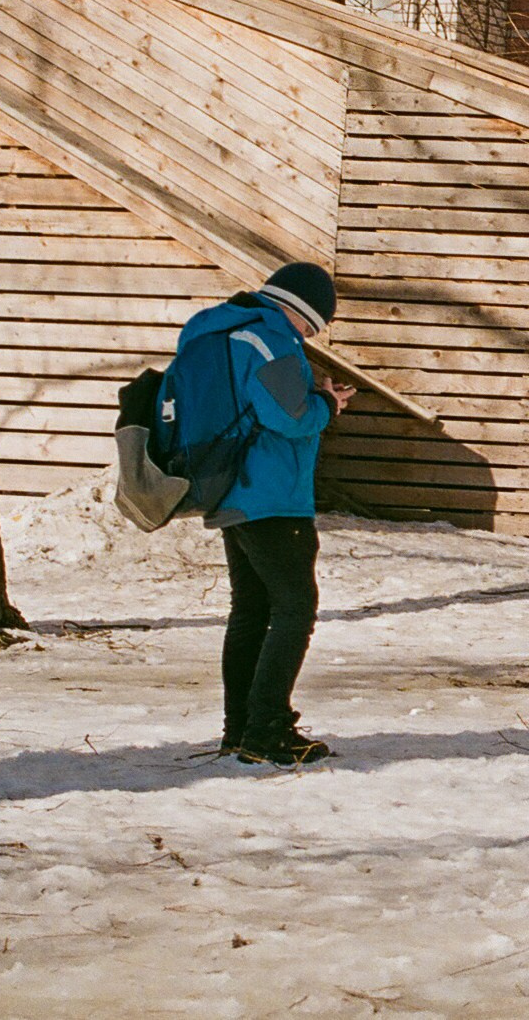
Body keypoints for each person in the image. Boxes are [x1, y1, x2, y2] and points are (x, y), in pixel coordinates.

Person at [167, 261, 354, 766]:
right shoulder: (270, 336)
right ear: (301, 311)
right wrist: (326, 405)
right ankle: (268, 730)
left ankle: (240, 729)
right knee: (294, 608)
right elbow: (288, 417)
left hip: (227, 487)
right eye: (312, 327)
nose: (308, 335)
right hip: (273, 494)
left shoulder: (217, 326)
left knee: (251, 610)